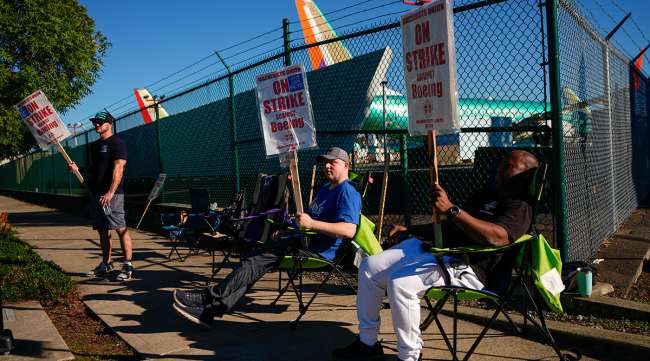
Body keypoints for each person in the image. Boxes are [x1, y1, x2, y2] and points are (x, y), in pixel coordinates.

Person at [332, 150, 539, 361]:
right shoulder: (484, 196)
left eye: (508, 166)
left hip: (469, 268)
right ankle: (368, 343)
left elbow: (498, 237)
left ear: (525, 176)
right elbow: (451, 226)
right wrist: (411, 230)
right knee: (370, 266)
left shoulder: (520, 206)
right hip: (442, 252)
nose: (499, 170)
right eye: (501, 164)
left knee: (400, 283)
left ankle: (409, 356)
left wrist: (452, 209)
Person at [173, 147, 362, 327]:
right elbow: (308, 220)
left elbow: (348, 230)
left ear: (346, 165)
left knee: (254, 262)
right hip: (299, 240)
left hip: (316, 250)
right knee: (253, 263)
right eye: (325, 163)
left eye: (333, 162)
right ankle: (208, 313)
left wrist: (311, 224)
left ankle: (208, 297)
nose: (327, 166)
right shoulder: (325, 189)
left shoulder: (347, 192)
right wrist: (289, 229)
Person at [69, 111, 134, 281]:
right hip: (96, 194)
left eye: (100, 122)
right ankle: (106, 264)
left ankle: (128, 265)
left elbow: (119, 167)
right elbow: (95, 169)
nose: (96, 124)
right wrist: (78, 169)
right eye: (95, 122)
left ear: (109, 123)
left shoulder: (117, 143)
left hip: (112, 194)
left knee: (120, 228)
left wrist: (111, 192)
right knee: (102, 230)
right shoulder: (95, 146)